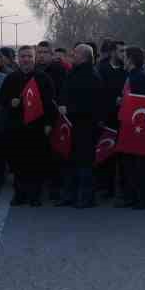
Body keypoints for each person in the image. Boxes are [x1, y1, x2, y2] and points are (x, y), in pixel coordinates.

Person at [0, 45, 56, 206]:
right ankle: (19, 194)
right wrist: (11, 102)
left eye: (29, 56)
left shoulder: (43, 78)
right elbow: (2, 101)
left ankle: (35, 195)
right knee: (18, 163)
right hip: (16, 128)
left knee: (36, 163)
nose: (26, 59)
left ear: (34, 58)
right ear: (18, 58)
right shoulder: (11, 78)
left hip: (37, 128)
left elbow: (50, 103)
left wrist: (48, 123)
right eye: (23, 56)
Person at [58, 43, 102, 207]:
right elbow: (65, 91)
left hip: (85, 127)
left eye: (75, 53)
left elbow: (91, 105)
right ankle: (69, 195)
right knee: (70, 160)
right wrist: (62, 104)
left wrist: (68, 108)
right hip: (70, 125)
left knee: (84, 163)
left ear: (83, 57)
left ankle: (85, 197)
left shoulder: (92, 76)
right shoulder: (73, 73)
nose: (72, 55)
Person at [116, 46, 145, 210]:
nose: (123, 60)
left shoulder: (140, 76)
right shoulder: (133, 75)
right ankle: (131, 197)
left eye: (125, 57)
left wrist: (125, 103)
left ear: (131, 59)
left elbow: (143, 103)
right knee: (130, 163)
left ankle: (142, 199)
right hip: (131, 125)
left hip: (138, 127)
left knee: (139, 164)